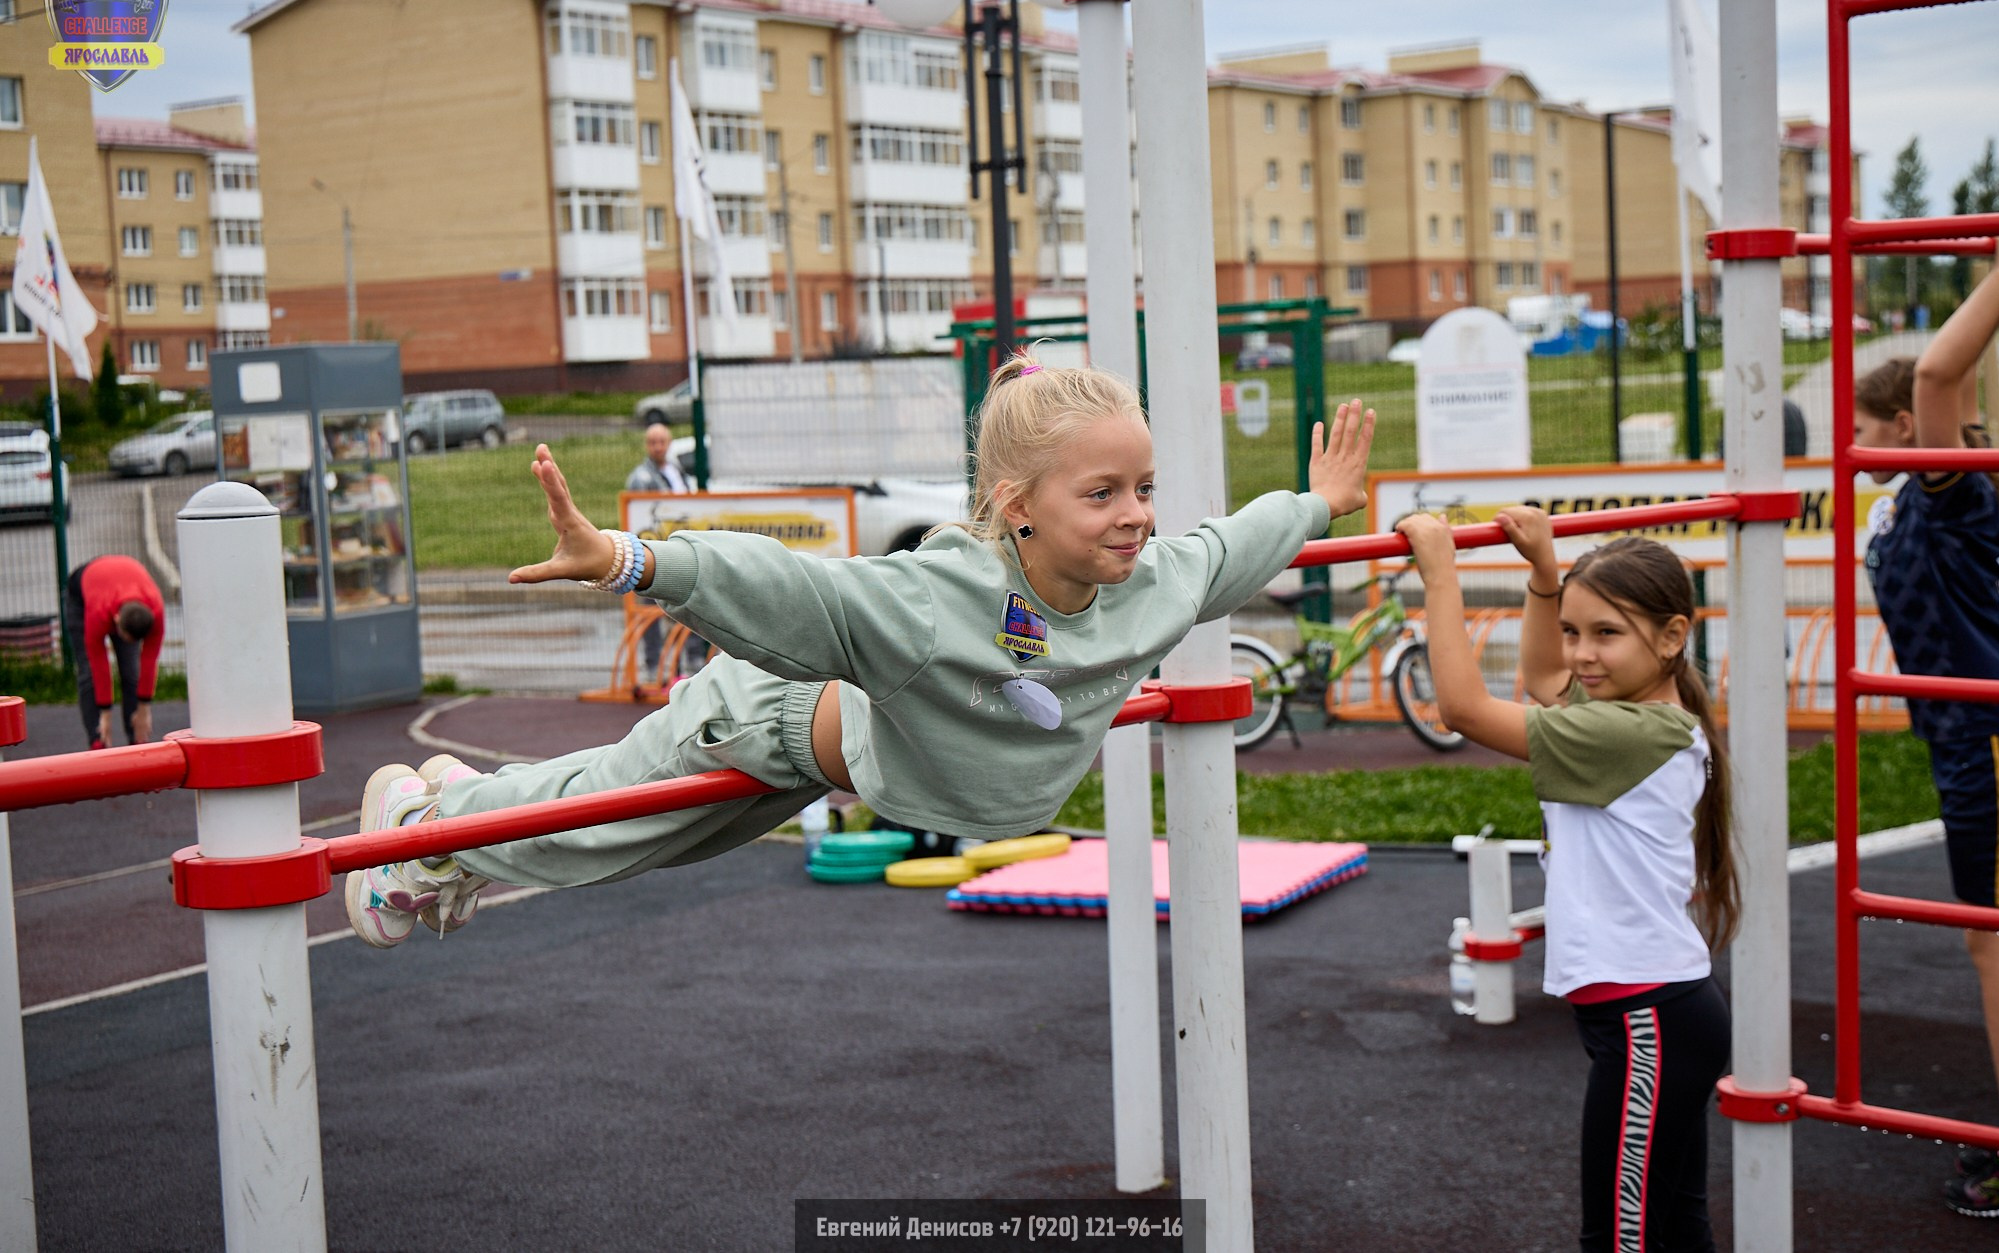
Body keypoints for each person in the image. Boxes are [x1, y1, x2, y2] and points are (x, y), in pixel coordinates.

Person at [343, 358, 1376, 947]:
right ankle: (419, 837)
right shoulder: (944, 595)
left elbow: (1231, 549)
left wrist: (1319, 502)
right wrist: (629, 559)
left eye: (1141, 488)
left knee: (644, 839)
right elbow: (798, 589)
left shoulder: (1151, 583)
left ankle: (463, 810)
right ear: (1016, 507)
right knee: (604, 834)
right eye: (1100, 494)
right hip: (769, 714)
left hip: (832, 762)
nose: (1134, 517)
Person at [1397, 508, 1737, 1253]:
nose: (1583, 653)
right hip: (1655, 1011)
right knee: (1672, 1228)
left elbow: (1462, 707)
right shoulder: (1642, 712)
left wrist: (1441, 573)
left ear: (1673, 636)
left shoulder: (1629, 733)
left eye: (1606, 633)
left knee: (1619, 1239)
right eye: (1577, 630)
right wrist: (1546, 578)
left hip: (1647, 1017)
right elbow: (1547, 678)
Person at [1851, 264, 1999, 1217]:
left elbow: (1947, 372)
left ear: (1907, 427)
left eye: (1866, 433)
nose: (1855, 451)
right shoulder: (1919, 491)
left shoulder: (1949, 487)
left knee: (1993, 945)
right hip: (1964, 735)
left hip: (1985, 738)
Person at [63, 554, 166, 750]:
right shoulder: (99, 613)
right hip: (83, 598)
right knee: (88, 673)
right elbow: (98, 662)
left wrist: (144, 708)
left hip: (126, 595)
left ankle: (137, 740)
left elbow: (149, 659)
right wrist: (105, 714)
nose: (128, 642)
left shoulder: (155, 612)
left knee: (131, 671)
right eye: (126, 637)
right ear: (117, 621)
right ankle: (98, 740)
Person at [624, 421, 694, 681]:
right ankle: (654, 665)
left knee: (686, 603)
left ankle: (688, 662)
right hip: (653, 547)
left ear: (669, 443)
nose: (657, 447)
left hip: (678, 545)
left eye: (661, 442)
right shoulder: (641, 478)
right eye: (652, 442)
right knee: (651, 606)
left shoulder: (676, 471)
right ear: (646, 445)